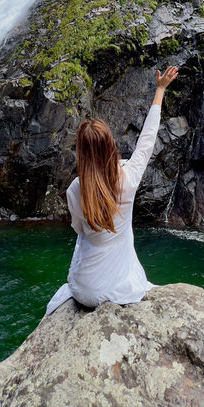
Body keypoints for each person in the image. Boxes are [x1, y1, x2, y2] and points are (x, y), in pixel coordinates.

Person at [45, 66, 179, 315]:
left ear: (81, 154)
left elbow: (78, 229)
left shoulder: (76, 188)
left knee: (82, 237)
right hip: (118, 291)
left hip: (84, 292)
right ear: (111, 147)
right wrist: (160, 89)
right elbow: (147, 141)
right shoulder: (128, 178)